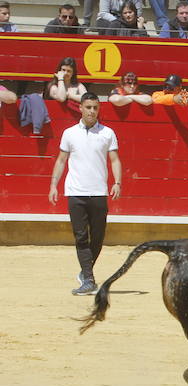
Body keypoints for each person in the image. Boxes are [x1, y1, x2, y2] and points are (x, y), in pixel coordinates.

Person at [48, 92, 122, 296]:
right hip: (76, 192)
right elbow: (61, 160)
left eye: (95, 108)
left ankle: (85, 272)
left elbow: (115, 160)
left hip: (99, 192)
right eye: (88, 107)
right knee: (81, 237)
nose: (92, 111)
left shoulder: (107, 133)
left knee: (97, 238)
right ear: (80, 108)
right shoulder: (70, 133)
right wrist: (54, 185)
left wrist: (117, 182)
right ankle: (89, 279)